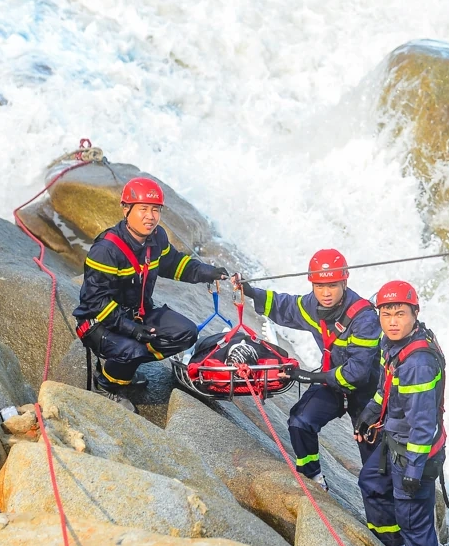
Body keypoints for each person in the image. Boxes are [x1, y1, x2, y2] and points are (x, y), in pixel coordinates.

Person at [73, 177, 228, 412]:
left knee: (186, 334)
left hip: (137, 315)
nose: (150, 216)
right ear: (126, 209)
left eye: (155, 210)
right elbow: (95, 303)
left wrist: (208, 272)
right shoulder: (106, 250)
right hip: (99, 322)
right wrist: (132, 330)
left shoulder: (157, 238)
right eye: (143, 209)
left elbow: (175, 264)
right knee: (132, 349)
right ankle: (106, 385)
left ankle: (122, 370)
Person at [241, 249, 381, 490]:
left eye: (332, 285)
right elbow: (285, 306)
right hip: (332, 382)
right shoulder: (312, 305)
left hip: (366, 392)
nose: (325, 293)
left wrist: (308, 377)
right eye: (319, 286)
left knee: (375, 467)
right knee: (299, 422)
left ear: (344, 282)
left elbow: (356, 374)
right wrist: (251, 291)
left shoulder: (365, 318)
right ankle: (313, 477)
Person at [353, 280, 446, 546]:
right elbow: (385, 389)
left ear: (415, 314)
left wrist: (414, 469)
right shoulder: (391, 344)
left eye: (400, 314)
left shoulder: (418, 363)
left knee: (415, 524)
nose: (392, 321)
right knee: (371, 483)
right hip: (394, 440)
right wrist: (368, 414)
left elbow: (423, 422)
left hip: (413, 450)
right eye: (386, 313)